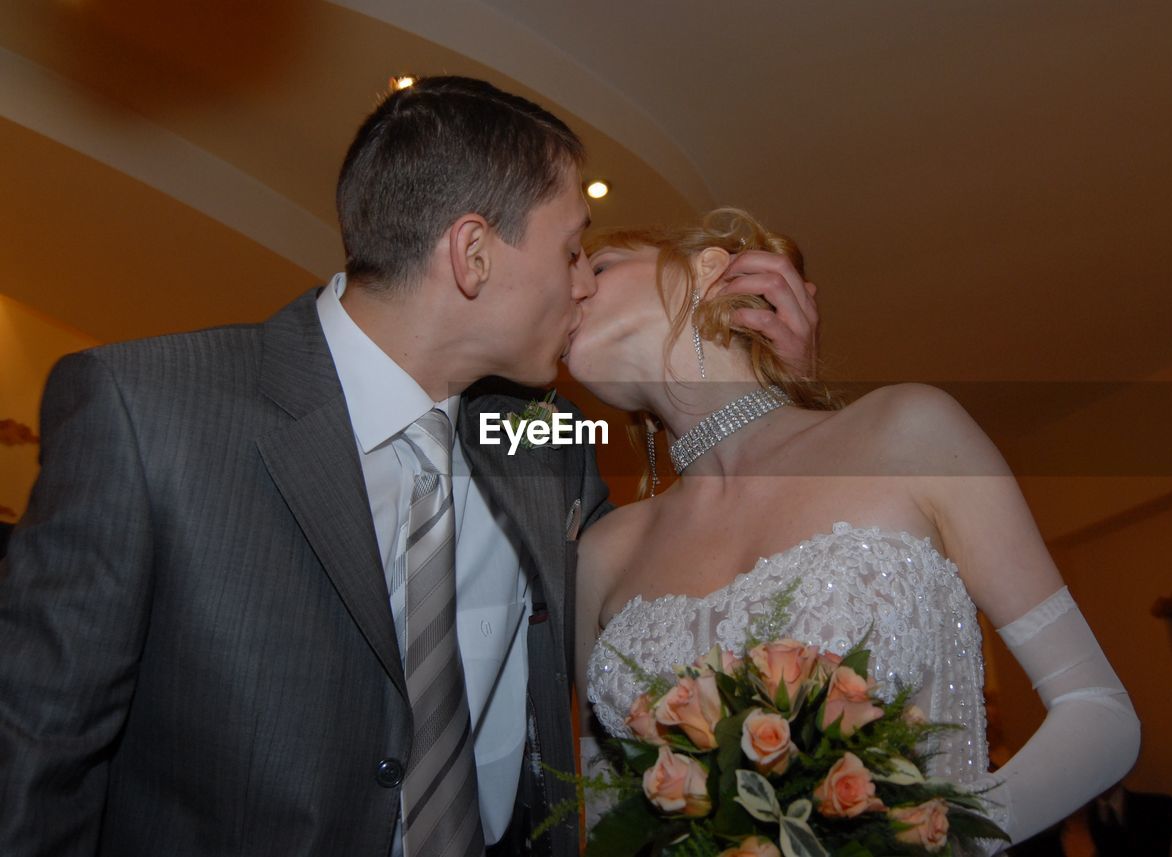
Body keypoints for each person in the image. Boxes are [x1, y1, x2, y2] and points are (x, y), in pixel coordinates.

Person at [0, 78, 816, 856]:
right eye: (573, 251)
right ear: (473, 254)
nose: (581, 287)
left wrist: (769, 394)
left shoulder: (545, 445)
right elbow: (38, 752)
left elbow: (688, 603)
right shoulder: (149, 413)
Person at [569, 208, 1141, 851]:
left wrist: (929, 839)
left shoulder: (908, 430)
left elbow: (1098, 712)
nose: (571, 286)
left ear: (707, 269)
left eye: (597, 264)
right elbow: (606, 808)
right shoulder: (603, 551)